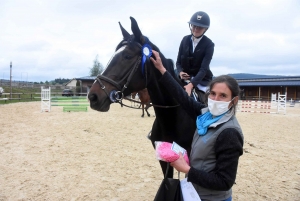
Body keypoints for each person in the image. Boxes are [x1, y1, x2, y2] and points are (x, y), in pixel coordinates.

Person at [151, 50, 244, 201]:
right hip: (193, 193)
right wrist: (162, 70)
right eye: (213, 93)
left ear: (233, 100)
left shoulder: (229, 133)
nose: (215, 99)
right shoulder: (205, 113)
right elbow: (182, 97)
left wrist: (187, 169)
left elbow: (225, 181)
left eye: (223, 96)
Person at [176, 11, 214, 103]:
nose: (196, 29)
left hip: (201, 81)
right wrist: (180, 72)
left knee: (208, 103)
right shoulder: (184, 40)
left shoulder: (209, 44)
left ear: (205, 29)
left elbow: (204, 69)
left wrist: (191, 85)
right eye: (194, 26)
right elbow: (178, 62)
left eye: (200, 27)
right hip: (184, 78)